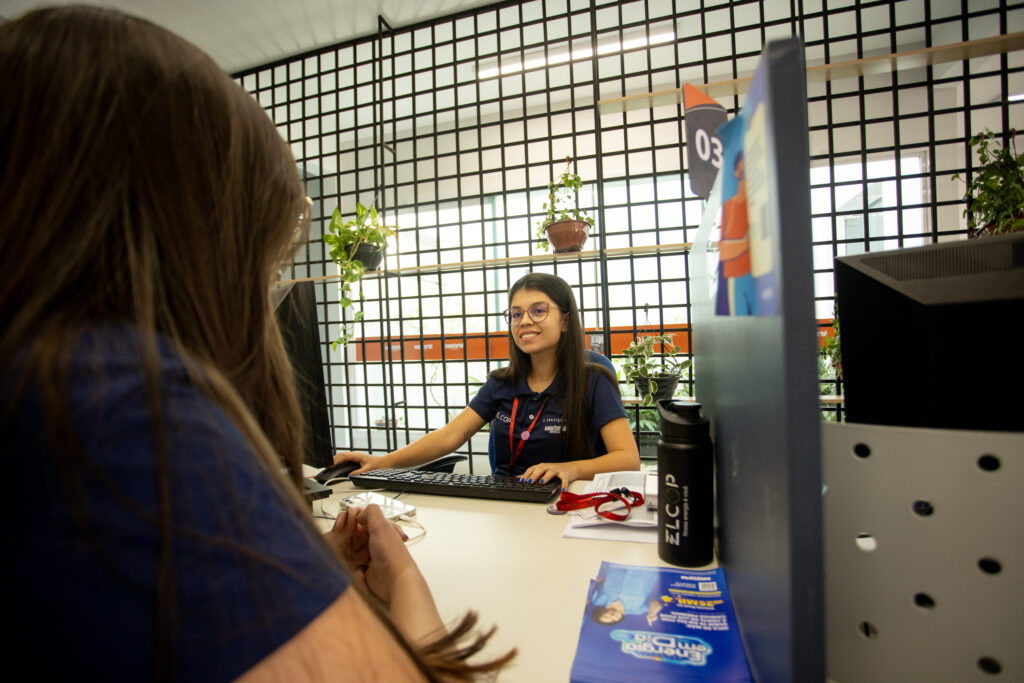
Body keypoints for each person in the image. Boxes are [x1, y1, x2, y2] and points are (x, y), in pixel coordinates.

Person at [0, 6, 510, 680]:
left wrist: (296, 576)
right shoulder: (123, 406)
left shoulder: (39, 384)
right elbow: (449, 439)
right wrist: (408, 588)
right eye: (265, 265)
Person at [335, 272, 640, 486]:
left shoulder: (593, 378)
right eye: (516, 314)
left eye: (538, 311)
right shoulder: (502, 382)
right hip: (508, 506)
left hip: (570, 506)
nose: (525, 321)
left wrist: (569, 470)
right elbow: (451, 435)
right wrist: (382, 462)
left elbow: (627, 458)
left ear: (565, 321)